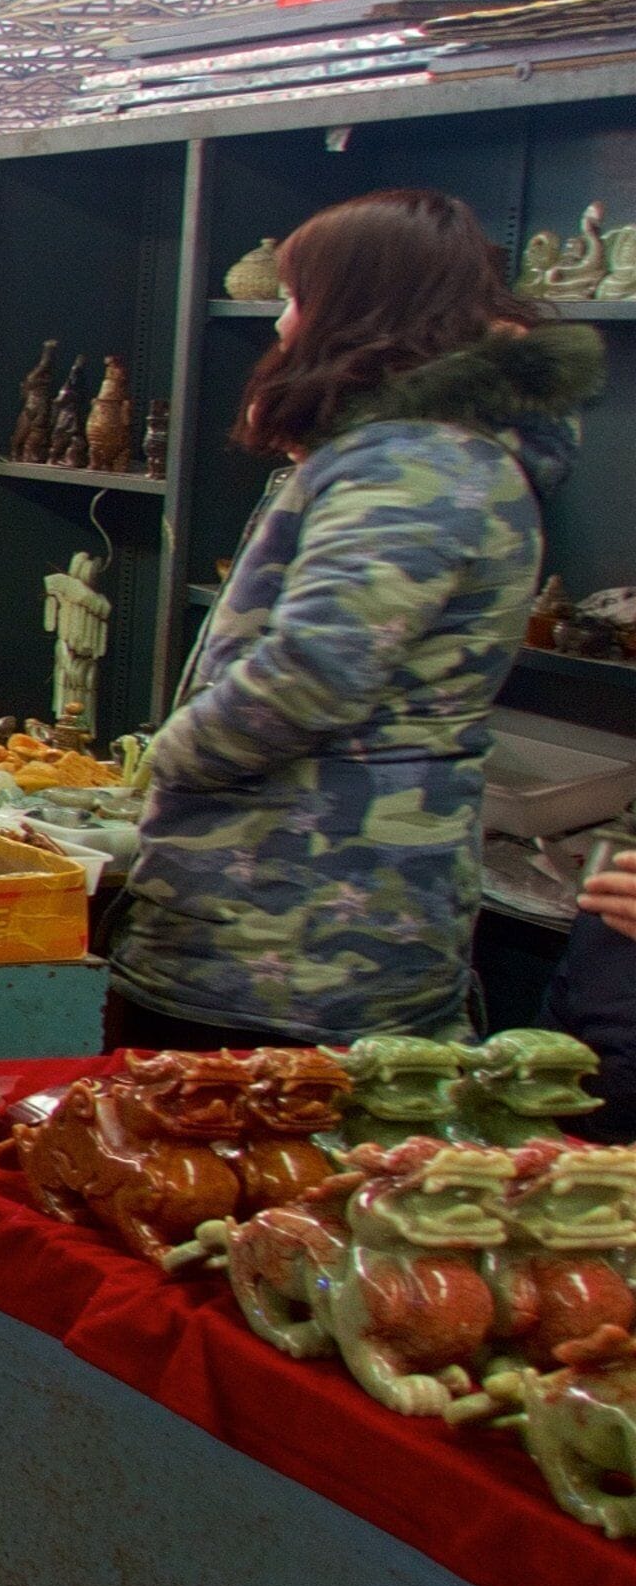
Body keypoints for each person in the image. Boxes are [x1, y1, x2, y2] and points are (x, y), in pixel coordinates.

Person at [111, 188, 602, 1049]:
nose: (280, 326)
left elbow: (311, 673)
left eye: (297, 299)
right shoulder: (421, 452)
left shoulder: (413, 464)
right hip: (297, 909)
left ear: (362, 311)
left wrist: (174, 757)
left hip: (296, 929)